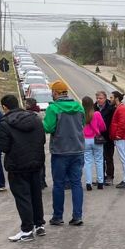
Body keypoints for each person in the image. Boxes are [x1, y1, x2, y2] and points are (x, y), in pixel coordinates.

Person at [0, 94, 46, 242]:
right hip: (36, 162)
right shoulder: (35, 118)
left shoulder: (4, 123)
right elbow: (42, 139)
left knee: (23, 197)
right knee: (36, 194)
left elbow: (4, 147)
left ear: (5, 107)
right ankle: (39, 225)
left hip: (17, 165)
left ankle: (26, 230)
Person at [43, 80, 85, 226]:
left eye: (52, 91)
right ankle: (78, 216)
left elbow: (48, 128)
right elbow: (82, 124)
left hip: (60, 151)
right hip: (78, 150)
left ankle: (58, 216)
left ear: (55, 93)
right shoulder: (79, 107)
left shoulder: (53, 108)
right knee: (76, 184)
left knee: (59, 184)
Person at [82, 95, 107, 191]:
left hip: (85, 139)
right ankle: (100, 182)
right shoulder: (96, 114)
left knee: (87, 162)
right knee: (99, 160)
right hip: (96, 139)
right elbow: (103, 127)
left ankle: (88, 183)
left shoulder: (82, 114)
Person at [110, 91, 125, 189]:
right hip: (121, 138)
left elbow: (122, 123)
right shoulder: (120, 108)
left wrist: (118, 135)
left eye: (111, 98)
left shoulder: (122, 109)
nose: (110, 100)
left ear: (116, 98)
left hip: (122, 138)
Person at [25, 97, 48, 189]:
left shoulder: (30, 115)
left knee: (35, 162)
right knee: (41, 162)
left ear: (29, 105)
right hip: (40, 140)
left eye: (26, 104)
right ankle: (42, 181)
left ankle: (38, 182)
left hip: (33, 141)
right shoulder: (40, 113)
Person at [95, 91, 117, 184]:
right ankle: (101, 177)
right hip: (98, 136)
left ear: (105, 98)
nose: (98, 100)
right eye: (97, 98)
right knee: (99, 158)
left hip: (108, 137)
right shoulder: (94, 107)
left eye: (100, 98)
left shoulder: (111, 108)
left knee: (108, 157)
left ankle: (109, 177)